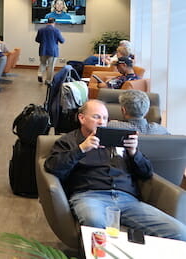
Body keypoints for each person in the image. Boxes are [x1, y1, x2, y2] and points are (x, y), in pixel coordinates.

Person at [44, 100, 186, 240]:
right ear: (82, 118)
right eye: (96, 117)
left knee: (179, 232)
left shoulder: (118, 139)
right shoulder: (68, 141)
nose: (101, 122)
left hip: (128, 200)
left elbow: (146, 173)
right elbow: (53, 167)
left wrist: (133, 153)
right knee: (95, 224)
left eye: (105, 118)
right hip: (90, 196)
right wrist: (81, 149)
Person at [35, 17, 65, 84]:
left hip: (42, 50)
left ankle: (40, 74)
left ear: (47, 22)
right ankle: (48, 81)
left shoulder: (41, 30)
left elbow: (37, 40)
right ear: (54, 23)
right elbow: (62, 41)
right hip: (53, 51)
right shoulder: (56, 30)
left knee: (42, 64)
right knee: (50, 67)